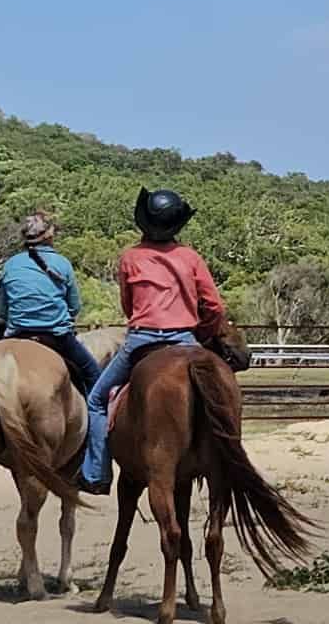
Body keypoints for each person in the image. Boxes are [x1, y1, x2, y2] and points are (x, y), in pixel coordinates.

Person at [76, 188, 226, 495]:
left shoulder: (130, 257)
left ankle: (96, 474)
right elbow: (214, 306)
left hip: (142, 339)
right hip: (186, 338)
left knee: (96, 400)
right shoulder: (191, 257)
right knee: (221, 398)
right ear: (177, 225)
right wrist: (206, 331)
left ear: (144, 222)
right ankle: (225, 461)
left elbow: (128, 306)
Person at [0, 213, 100, 399]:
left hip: (17, 335)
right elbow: (75, 306)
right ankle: (96, 425)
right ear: (49, 236)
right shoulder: (62, 263)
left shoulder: (10, 265)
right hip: (57, 337)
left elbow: (2, 311)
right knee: (93, 373)